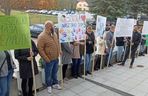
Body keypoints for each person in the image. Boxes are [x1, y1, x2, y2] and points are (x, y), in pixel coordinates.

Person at [37, 21, 61, 94]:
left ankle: (55, 84)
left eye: (53, 26)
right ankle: (49, 86)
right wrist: (46, 59)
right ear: (48, 27)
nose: (53, 27)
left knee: (54, 72)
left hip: (56, 58)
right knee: (48, 74)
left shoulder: (54, 34)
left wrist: (59, 50)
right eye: (52, 26)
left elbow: (57, 43)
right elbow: (40, 49)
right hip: (49, 60)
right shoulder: (41, 36)